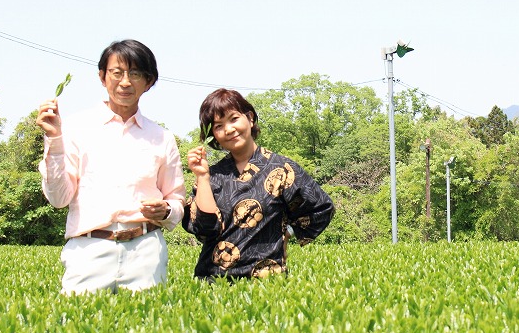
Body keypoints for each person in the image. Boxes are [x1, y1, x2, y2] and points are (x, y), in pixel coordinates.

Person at [36, 39, 186, 293]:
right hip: (88, 249)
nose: (125, 82)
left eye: (136, 73)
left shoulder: (162, 137)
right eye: (117, 72)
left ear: (148, 82)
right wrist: (53, 139)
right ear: (102, 77)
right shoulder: (74, 128)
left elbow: (177, 200)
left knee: (146, 330)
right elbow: (59, 198)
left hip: (145, 250)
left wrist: (166, 210)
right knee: (76, 328)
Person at [185, 88, 334, 280]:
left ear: (250, 118)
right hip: (213, 282)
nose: (229, 129)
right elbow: (205, 231)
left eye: (233, 119)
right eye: (218, 126)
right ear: (213, 135)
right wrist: (202, 177)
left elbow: (321, 208)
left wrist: (288, 233)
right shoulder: (212, 175)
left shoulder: (281, 169)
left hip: (267, 282)